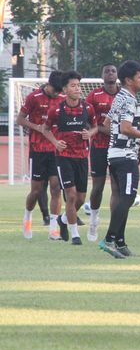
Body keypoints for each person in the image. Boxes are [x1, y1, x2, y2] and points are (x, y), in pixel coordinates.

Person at [99, 61, 140, 258]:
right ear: (129, 80)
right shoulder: (128, 100)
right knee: (128, 197)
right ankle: (109, 239)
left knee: (123, 197)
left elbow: (106, 124)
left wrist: (133, 145)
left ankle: (120, 243)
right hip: (124, 157)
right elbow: (125, 128)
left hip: (115, 154)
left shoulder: (119, 97)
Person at [43, 71, 97, 245]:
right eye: (73, 86)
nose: (77, 89)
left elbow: (96, 127)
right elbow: (45, 129)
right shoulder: (56, 110)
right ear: (65, 89)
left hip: (82, 157)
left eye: (78, 86)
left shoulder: (88, 108)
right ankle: (75, 235)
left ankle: (63, 220)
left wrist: (89, 133)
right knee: (71, 196)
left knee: (81, 198)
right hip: (64, 157)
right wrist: (55, 142)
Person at [18, 70, 65, 239]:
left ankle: (53, 228)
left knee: (56, 187)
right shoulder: (34, 97)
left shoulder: (62, 99)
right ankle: (27, 217)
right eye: (56, 90)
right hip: (37, 150)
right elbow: (20, 119)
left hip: (55, 149)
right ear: (49, 84)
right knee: (36, 191)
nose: (58, 93)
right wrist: (37, 127)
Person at [83, 64, 119, 239]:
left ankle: (113, 228)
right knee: (97, 188)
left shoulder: (125, 94)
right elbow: (87, 120)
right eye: (106, 71)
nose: (110, 73)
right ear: (102, 75)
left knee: (116, 188)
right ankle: (94, 220)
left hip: (118, 147)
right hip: (99, 147)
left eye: (113, 71)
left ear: (117, 75)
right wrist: (101, 129)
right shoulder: (94, 95)